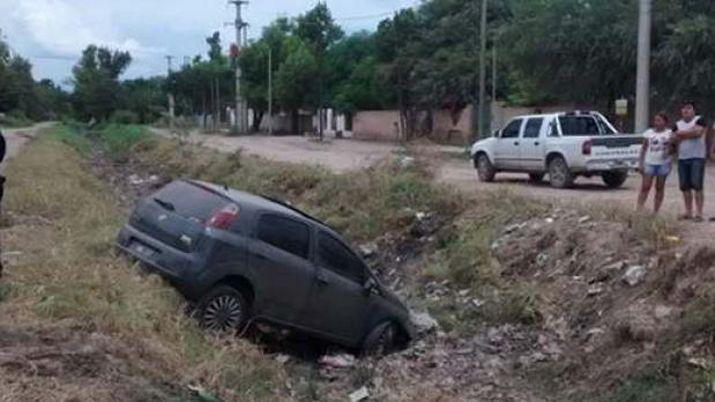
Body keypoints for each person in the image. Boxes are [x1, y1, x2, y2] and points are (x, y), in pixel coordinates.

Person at [673, 101, 708, 221]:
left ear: (694, 110)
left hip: (697, 157)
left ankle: (699, 213)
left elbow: (698, 133)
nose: (686, 111)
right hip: (682, 158)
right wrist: (689, 132)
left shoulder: (700, 120)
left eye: (688, 108)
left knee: (697, 185)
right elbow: (673, 138)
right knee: (685, 186)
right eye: (683, 109)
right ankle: (688, 212)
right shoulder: (677, 124)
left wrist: (681, 134)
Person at [637, 112, 673, 213]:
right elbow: (644, 148)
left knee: (660, 187)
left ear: (665, 122)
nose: (656, 122)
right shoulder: (649, 133)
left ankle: (656, 211)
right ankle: (639, 208)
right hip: (650, 161)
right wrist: (640, 162)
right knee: (645, 186)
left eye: (659, 120)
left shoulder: (670, 133)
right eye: (655, 120)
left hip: (663, 163)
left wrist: (669, 156)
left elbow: (673, 148)